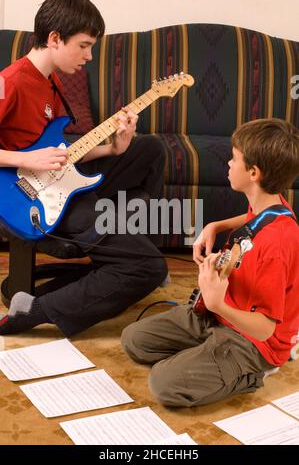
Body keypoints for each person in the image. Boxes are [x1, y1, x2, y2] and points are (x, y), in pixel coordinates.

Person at [0, 0, 167, 337]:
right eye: (84, 46)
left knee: (149, 148)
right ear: (55, 38)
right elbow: (36, 157)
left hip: (60, 180)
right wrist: (23, 158)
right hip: (29, 197)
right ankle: (35, 308)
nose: (90, 56)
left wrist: (112, 147)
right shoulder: (10, 81)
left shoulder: (52, 80)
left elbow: (61, 152)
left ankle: (122, 251)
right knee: (148, 268)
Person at [121, 118, 299, 407]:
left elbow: (266, 328)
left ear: (254, 172)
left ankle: (254, 372)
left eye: (234, 158)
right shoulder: (272, 203)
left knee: (163, 384)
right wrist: (216, 226)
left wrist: (218, 304)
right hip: (222, 313)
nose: (228, 163)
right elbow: (254, 219)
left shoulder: (277, 246)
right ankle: (211, 348)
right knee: (134, 340)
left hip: (256, 341)